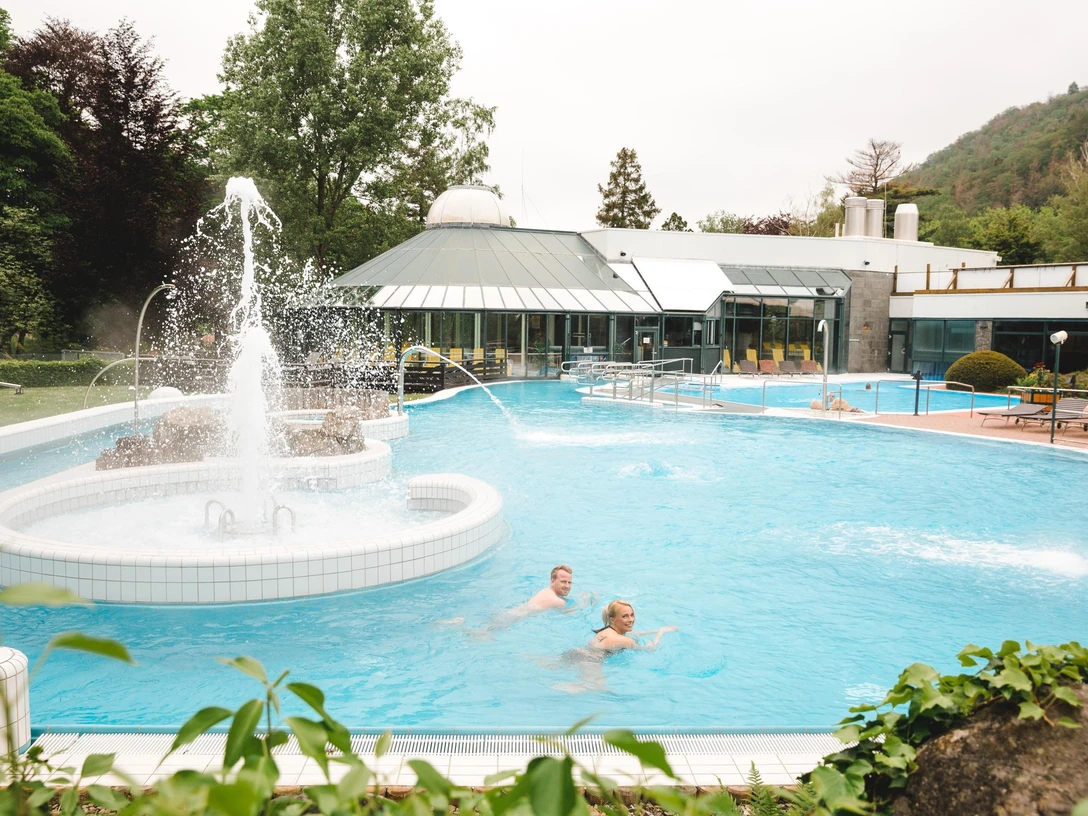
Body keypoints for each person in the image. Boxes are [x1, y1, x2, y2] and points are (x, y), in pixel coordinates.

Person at [551, 600, 677, 693]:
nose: (631, 619)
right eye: (625, 616)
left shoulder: (607, 630)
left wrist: (654, 630)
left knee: (552, 667)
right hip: (589, 661)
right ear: (612, 619)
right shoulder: (625, 640)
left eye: (632, 615)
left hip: (575, 652)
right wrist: (661, 633)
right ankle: (570, 688)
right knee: (597, 688)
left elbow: (635, 633)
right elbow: (651, 650)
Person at [437, 565, 595, 634]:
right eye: (563, 581)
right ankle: (458, 625)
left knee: (483, 631)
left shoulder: (546, 592)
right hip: (510, 619)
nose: (567, 586)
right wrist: (588, 600)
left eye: (569, 582)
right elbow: (572, 612)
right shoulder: (556, 600)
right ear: (552, 581)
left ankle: (459, 624)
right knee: (480, 635)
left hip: (509, 614)